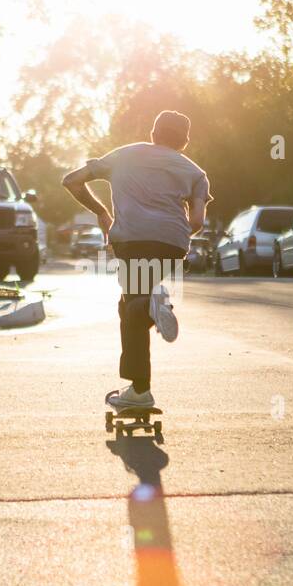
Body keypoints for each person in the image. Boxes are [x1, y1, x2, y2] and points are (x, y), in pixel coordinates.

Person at [62, 110, 212, 409]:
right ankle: (151, 309)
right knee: (132, 304)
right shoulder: (195, 173)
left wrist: (101, 211)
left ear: (153, 133)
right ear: (184, 141)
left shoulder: (123, 156)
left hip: (131, 239)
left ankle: (140, 390)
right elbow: (196, 221)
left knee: (132, 305)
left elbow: (72, 181)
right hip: (172, 244)